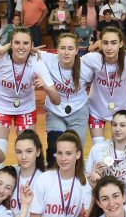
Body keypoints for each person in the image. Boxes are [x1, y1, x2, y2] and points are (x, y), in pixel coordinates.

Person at [0, 27, 60, 162]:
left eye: (25, 43)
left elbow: (57, 100)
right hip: (0, 107)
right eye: (17, 43)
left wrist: (47, 88)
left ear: (32, 45)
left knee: (29, 158)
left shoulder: (36, 62)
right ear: (10, 44)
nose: (21, 47)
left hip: (25, 109)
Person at [40, 33, 93, 165]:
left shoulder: (86, 67)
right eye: (62, 48)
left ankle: (75, 176)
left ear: (77, 50)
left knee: (74, 152)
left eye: (70, 48)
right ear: (57, 49)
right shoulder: (48, 59)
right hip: (55, 112)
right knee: (55, 149)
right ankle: (53, 174)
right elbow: (24, 48)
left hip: (79, 112)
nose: (66, 52)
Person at [82, 27, 126, 146]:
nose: (109, 47)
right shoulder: (92, 58)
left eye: (113, 43)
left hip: (122, 110)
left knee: (121, 148)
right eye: (105, 43)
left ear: (121, 43)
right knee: (99, 148)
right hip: (96, 111)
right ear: (100, 43)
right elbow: (73, 62)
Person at [85, 110, 126, 199]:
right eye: (114, 125)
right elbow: (87, 186)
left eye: (122, 125)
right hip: (101, 202)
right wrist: (96, 176)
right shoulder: (98, 149)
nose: (117, 129)